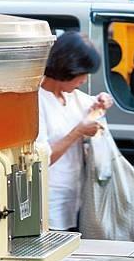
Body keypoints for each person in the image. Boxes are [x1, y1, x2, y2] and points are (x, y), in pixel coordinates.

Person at [36, 31, 113, 232]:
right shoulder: (37, 101)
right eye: (83, 73)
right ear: (68, 69)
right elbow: (43, 159)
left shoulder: (72, 97)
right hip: (49, 202)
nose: (84, 80)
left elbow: (95, 105)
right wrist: (78, 132)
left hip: (76, 198)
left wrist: (103, 100)